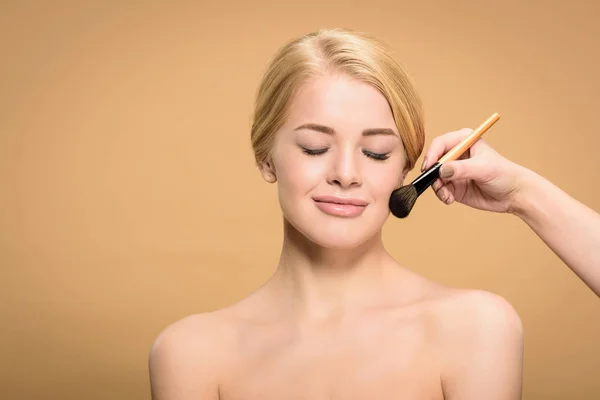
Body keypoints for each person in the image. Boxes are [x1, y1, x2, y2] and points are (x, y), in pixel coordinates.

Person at [148, 27, 597, 400]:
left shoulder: (475, 328)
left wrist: (523, 193)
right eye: (314, 147)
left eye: (377, 153)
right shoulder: (190, 354)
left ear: (407, 167)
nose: (346, 174)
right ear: (266, 156)